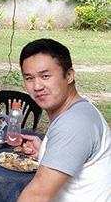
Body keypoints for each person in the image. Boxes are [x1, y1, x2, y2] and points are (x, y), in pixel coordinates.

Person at [18, 39, 110, 202]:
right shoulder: (81, 111)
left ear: (69, 75)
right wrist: (46, 152)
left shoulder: (75, 122)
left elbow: (37, 195)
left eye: (45, 76)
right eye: (29, 78)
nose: (37, 86)